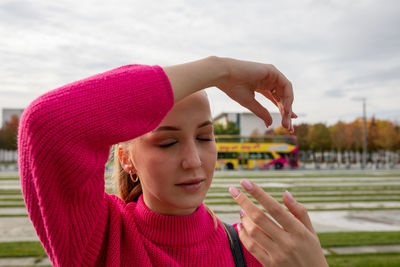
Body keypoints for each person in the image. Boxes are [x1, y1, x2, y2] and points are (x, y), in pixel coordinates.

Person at [18, 56, 328, 266]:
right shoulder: (98, 240)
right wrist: (218, 69)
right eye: (167, 142)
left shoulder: (259, 250)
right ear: (127, 160)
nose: (193, 161)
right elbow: (45, 123)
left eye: (205, 138)